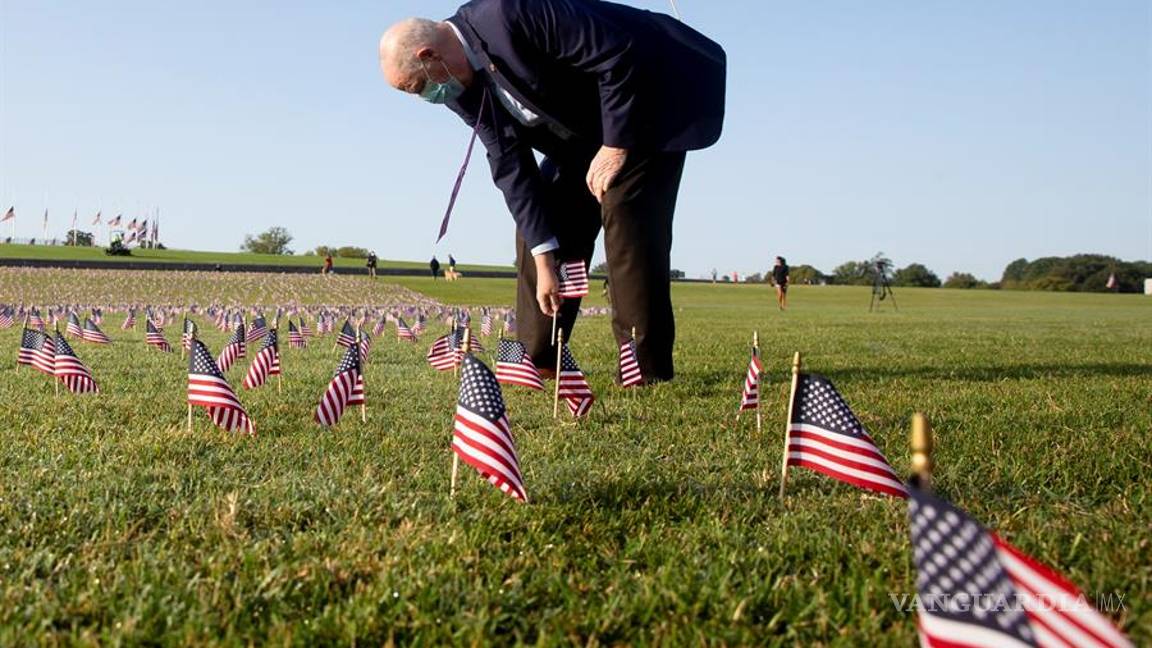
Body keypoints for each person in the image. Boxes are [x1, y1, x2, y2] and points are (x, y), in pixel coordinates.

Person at [379, 1, 726, 382]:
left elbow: (618, 53)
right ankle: (535, 359)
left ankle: (644, 368)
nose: (423, 97)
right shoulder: (460, 87)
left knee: (625, 213)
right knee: (542, 228)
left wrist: (615, 146)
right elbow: (508, 162)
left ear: (428, 55)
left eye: (416, 86)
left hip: (646, 102)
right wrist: (546, 257)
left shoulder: (510, 13)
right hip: (582, 137)